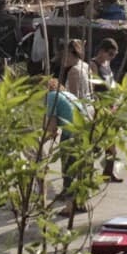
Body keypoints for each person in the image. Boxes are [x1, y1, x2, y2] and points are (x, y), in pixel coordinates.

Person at [42, 77, 87, 214]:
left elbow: (52, 126)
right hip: (84, 132)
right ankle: (81, 202)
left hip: (71, 134)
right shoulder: (68, 94)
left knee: (68, 170)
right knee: (80, 169)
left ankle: (69, 207)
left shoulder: (51, 96)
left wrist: (42, 142)